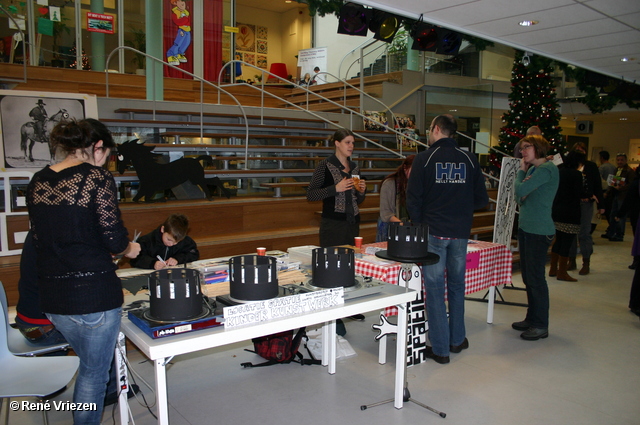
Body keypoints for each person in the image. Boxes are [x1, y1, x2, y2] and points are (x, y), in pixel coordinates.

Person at [26, 118, 141, 425]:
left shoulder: (38, 179)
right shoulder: (97, 178)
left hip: (53, 299)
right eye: (108, 154)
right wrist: (131, 249)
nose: (107, 162)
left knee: (88, 367)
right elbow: (115, 240)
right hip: (93, 298)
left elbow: (42, 240)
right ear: (98, 147)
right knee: (93, 375)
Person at [406, 114, 488, 364]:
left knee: (434, 290)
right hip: (460, 234)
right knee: (456, 287)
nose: (429, 132)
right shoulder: (469, 159)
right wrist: (460, 210)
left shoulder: (424, 158)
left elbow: (413, 199)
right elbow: (482, 200)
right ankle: (457, 339)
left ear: (437, 129)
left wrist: (421, 225)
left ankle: (440, 348)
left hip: (434, 232)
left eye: (430, 128)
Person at [512, 135, 559, 340]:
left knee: (536, 279)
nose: (523, 152)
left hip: (539, 231)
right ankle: (532, 319)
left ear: (538, 147)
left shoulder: (547, 169)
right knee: (528, 277)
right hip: (527, 228)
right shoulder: (533, 170)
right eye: (521, 149)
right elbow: (518, 198)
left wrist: (521, 173)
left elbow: (521, 190)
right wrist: (523, 184)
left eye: (526, 147)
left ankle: (540, 324)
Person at [307, 128, 366, 247]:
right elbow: (311, 195)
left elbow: (358, 200)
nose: (351, 146)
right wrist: (335, 189)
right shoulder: (324, 166)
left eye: (353, 143)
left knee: (351, 259)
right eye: (347, 142)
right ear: (337, 143)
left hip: (353, 224)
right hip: (333, 226)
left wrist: (361, 192)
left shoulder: (355, 167)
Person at [567, 143, 605, 275]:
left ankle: (586, 261)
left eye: (582, 150)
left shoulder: (591, 166)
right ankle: (571, 260)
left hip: (587, 204)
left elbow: (597, 185)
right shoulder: (569, 165)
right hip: (572, 203)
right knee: (571, 232)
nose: (580, 152)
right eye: (577, 150)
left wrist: (601, 205)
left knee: (584, 233)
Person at [548, 151, 584, 282]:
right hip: (570, 212)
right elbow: (578, 193)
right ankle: (562, 272)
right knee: (567, 242)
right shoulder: (576, 174)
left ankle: (553, 268)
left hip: (557, 211)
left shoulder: (559, 172)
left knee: (558, 240)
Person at [130, 213, 199, 270]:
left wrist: (177, 259)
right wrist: (153, 263)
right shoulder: (146, 241)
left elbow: (193, 254)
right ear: (163, 229)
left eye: (177, 242)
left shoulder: (185, 241)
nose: (172, 244)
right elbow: (135, 259)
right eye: (169, 240)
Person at [377, 155, 415, 242]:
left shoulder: (416, 185)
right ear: (405, 168)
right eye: (413, 170)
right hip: (389, 228)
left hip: (407, 227)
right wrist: (405, 226)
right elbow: (386, 214)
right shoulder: (389, 183)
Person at [602, 153, 636, 241]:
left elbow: (631, 185)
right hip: (615, 195)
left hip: (623, 196)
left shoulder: (629, 171)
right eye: (618, 160)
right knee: (612, 214)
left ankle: (619, 235)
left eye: (621, 160)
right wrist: (607, 192)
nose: (619, 162)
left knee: (621, 216)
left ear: (625, 160)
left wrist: (621, 188)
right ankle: (611, 232)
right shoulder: (617, 169)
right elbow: (612, 182)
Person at [166, 0, 191, 66]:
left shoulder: (186, 12)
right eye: (179, 2)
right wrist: (185, 20)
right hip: (182, 29)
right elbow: (177, 21)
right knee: (178, 42)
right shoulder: (175, 12)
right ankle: (171, 54)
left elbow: (188, 21)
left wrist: (186, 20)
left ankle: (179, 53)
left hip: (187, 29)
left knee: (186, 42)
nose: (182, 3)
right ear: (175, 3)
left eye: (183, 2)